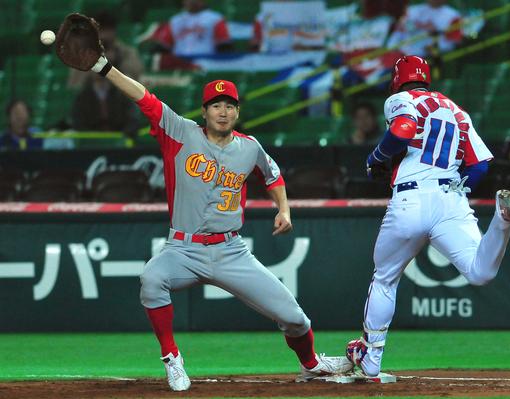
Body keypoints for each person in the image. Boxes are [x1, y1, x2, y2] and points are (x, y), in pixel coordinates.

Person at [62, 30, 352, 391]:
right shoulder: (180, 132)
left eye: (229, 105)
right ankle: (172, 358)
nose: (223, 110)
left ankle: (311, 364)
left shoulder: (249, 147)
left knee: (294, 317)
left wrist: (284, 209)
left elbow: (272, 175)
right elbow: (144, 97)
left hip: (231, 251)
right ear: (204, 111)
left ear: (237, 111)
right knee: (153, 279)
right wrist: (105, 68)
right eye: (216, 105)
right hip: (183, 249)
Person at [345, 56, 510, 377]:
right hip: (451, 199)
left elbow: (403, 130)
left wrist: (376, 156)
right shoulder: (457, 110)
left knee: (385, 278)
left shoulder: (401, 99)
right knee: (479, 273)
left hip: (411, 196)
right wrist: (456, 188)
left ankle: (372, 360)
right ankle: (501, 220)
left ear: (397, 78)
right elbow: (480, 165)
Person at [67, 11, 144, 89]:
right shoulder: (83, 55)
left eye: (107, 30)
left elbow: (135, 79)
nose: (104, 35)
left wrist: (115, 62)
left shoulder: (127, 53)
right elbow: (74, 85)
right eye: (100, 30)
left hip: (121, 96)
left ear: (113, 31)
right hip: (90, 97)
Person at [386, 0, 463, 57]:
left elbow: (456, 41)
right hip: (405, 55)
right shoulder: (413, 10)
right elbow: (395, 27)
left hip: (433, 56)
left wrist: (437, 32)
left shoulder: (453, 15)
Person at [71, 74, 140, 137]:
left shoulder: (121, 95)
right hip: (91, 141)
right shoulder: (82, 97)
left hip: (118, 139)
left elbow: (132, 119)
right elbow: (78, 122)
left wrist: (124, 134)